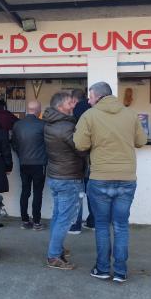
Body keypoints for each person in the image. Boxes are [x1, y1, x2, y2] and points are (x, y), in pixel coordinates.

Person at [73, 81, 147, 283]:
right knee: (121, 226)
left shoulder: (89, 115)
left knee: (103, 225)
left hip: (100, 178)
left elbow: (80, 144)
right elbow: (141, 141)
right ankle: (121, 272)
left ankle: (103, 269)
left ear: (98, 96)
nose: (88, 101)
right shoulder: (130, 114)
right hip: (126, 178)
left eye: (90, 97)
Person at [43, 92, 86, 270]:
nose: (73, 105)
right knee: (65, 219)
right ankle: (54, 256)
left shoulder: (51, 123)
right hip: (68, 178)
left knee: (58, 215)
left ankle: (56, 249)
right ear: (60, 107)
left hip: (56, 176)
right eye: (70, 103)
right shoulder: (65, 127)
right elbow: (81, 149)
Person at [11, 100, 47, 231]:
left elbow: (13, 143)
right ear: (38, 110)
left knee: (25, 191)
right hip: (39, 163)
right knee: (38, 193)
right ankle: (36, 222)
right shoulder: (43, 125)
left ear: (28, 109)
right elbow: (48, 144)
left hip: (24, 162)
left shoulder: (18, 125)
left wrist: (21, 154)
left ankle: (25, 220)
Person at [69, 88, 94, 234]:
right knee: (92, 192)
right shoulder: (93, 109)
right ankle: (93, 222)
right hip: (93, 159)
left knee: (77, 193)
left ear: (74, 100)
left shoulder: (77, 111)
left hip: (79, 160)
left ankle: (75, 225)